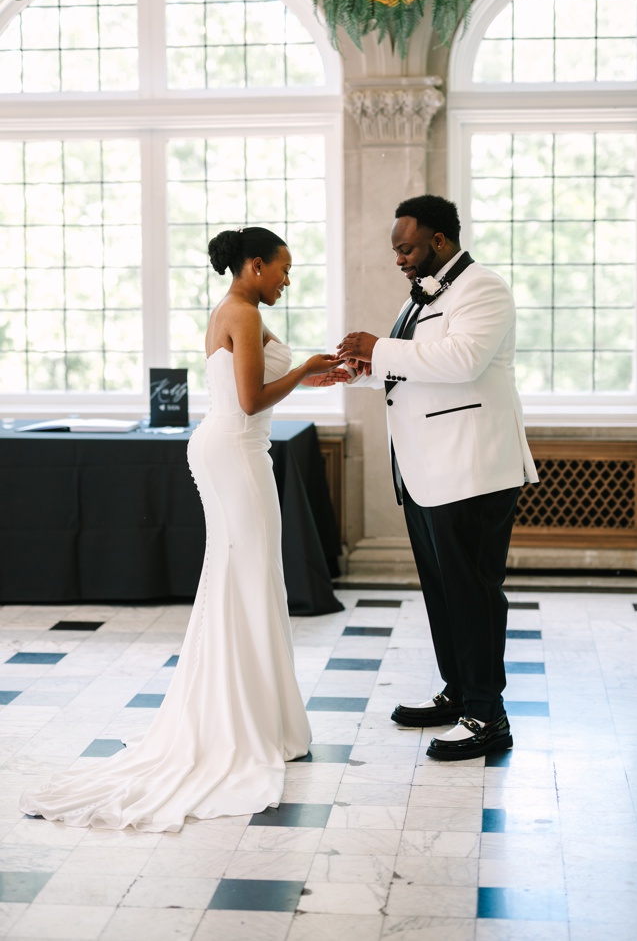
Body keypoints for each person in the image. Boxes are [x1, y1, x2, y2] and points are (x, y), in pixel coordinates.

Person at [19, 227, 347, 832]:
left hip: (234, 450)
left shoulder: (240, 309)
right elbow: (249, 400)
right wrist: (302, 368)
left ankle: (258, 716)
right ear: (253, 266)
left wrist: (318, 373)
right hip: (234, 453)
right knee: (245, 578)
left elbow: (256, 390)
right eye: (282, 268)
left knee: (247, 577)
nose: (287, 279)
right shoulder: (241, 313)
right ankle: (241, 723)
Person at [337, 195, 536, 761]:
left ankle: (487, 714)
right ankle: (458, 692)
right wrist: (359, 372)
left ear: (439, 243)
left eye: (406, 247)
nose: (399, 259)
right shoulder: (423, 295)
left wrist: (380, 349)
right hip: (426, 471)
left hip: (472, 469)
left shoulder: (484, 289)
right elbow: (414, 369)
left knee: (473, 594)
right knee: (443, 592)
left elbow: (462, 361)